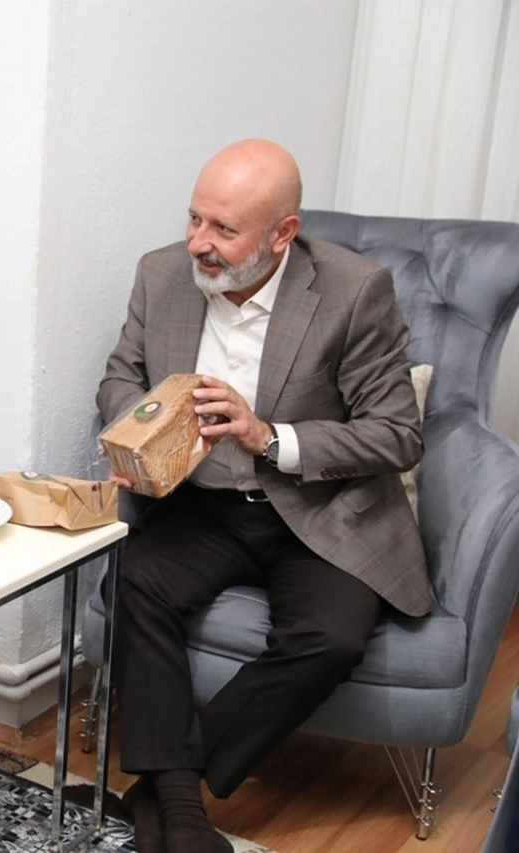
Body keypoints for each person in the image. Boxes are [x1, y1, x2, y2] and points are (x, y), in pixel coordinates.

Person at [97, 139, 433, 853]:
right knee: (133, 580)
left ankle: (165, 790)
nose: (199, 243)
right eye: (195, 218)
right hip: (202, 506)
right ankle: (184, 814)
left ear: (283, 233)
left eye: (224, 229)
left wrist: (267, 435)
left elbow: (397, 434)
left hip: (317, 511)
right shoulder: (161, 273)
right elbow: (121, 375)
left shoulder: (353, 290)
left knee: (331, 639)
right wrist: (137, 435)